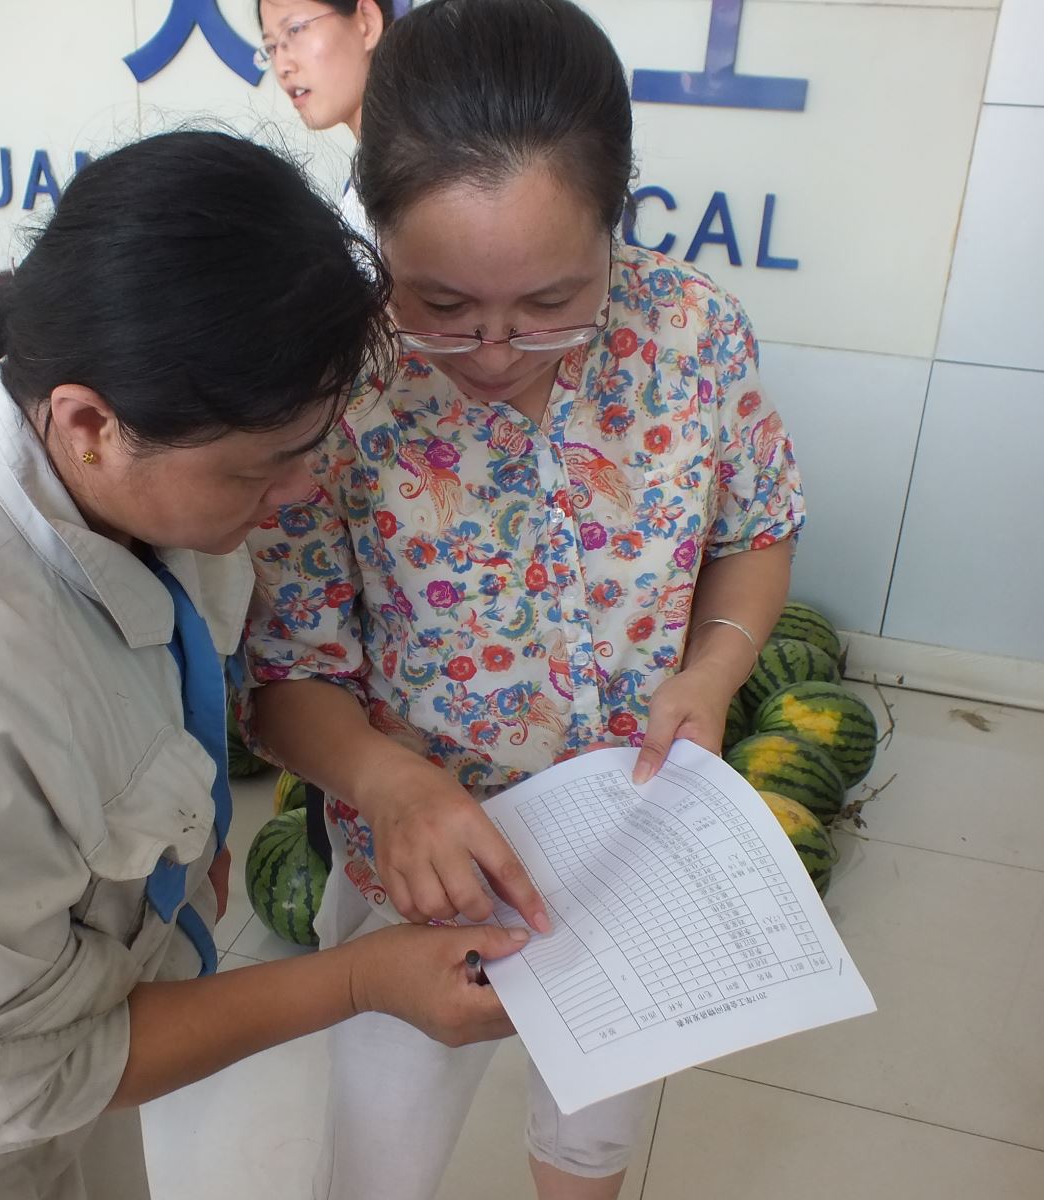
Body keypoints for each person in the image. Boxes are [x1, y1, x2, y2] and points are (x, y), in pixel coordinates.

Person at [0, 131, 526, 1200]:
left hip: (77, 1041)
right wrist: (363, 980)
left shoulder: (138, 489)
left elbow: (184, 691)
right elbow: (24, 1072)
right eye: (265, 468)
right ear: (90, 423)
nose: (296, 493)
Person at [244, 1, 807, 1197]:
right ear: (377, 225)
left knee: (590, 1141)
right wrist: (392, 784)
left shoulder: (690, 335)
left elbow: (757, 530)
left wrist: (713, 671)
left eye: (552, 302)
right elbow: (287, 676)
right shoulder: (333, 386)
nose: (497, 351)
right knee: (379, 1160)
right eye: (442, 307)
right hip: (420, 872)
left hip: (631, 847)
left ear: (615, 218)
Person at [256, 0, 391, 240]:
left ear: (367, 23)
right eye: (271, 47)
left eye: (295, 30)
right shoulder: (362, 181)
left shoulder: (426, 166)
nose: (282, 67)